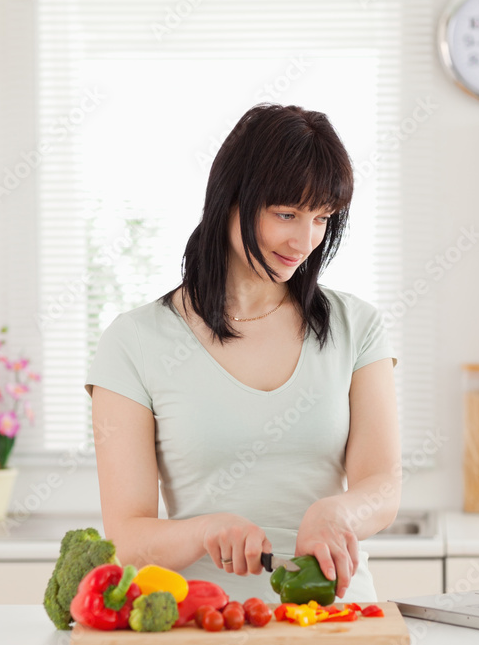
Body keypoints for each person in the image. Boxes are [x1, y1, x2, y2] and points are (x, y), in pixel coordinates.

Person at [84, 103, 401, 602]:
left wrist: (337, 512)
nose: (305, 240)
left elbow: (381, 484)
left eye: (321, 218)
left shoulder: (355, 326)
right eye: (286, 214)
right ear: (230, 199)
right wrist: (204, 531)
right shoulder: (135, 342)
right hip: (207, 624)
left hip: (337, 622)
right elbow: (126, 538)